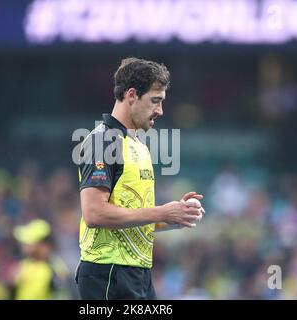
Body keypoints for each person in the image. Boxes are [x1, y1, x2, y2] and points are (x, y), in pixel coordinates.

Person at [76, 57, 205, 300]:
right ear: (132, 94)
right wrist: (161, 212)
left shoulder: (138, 146)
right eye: (155, 101)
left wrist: (176, 216)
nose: (160, 110)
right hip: (108, 273)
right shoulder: (103, 140)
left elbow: (135, 217)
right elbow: (94, 214)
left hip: (138, 274)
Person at [11, 219, 71, 300]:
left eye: (29, 242)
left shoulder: (56, 269)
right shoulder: (24, 264)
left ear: (43, 245)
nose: (24, 245)